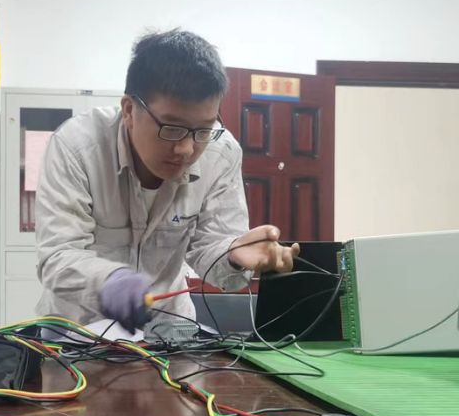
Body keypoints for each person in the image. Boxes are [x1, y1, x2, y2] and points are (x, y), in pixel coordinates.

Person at [35, 29, 299, 333]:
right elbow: (57, 256)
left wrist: (233, 255)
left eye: (203, 130)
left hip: (169, 328)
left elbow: (211, 252)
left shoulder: (221, 153)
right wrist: (110, 281)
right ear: (129, 110)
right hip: (79, 332)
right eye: (172, 129)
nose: (186, 149)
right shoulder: (77, 147)